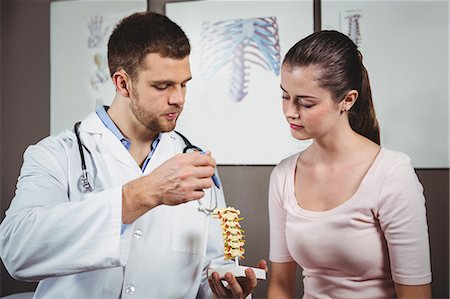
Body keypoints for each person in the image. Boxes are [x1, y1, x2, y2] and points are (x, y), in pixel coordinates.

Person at [0, 12, 265, 298]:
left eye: (184, 84)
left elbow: (209, 271)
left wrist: (224, 291)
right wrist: (142, 193)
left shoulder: (195, 162)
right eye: (162, 86)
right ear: (122, 83)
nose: (178, 98)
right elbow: (18, 252)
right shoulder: (55, 155)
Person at [267, 30, 432, 298]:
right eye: (285, 96)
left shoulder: (392, 174)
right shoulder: (284, 175)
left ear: (347, 100)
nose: (290, 111)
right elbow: (280, 286)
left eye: (305, 103)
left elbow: (416, 294)